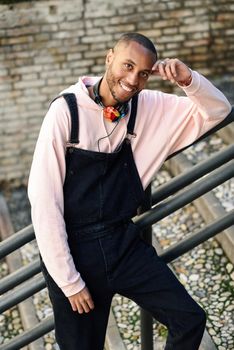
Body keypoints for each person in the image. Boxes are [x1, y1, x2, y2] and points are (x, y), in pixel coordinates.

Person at [28, 32, 231, 350]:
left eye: (144, 73)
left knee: (189, 319)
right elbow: (44, 200)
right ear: (109, 57)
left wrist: (188, 79)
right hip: (75, 252)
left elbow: (218, 110)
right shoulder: (65, 111)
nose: (133, 79)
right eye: (127, 65)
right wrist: (69, 281)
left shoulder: (149, 106)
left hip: (122, 243)